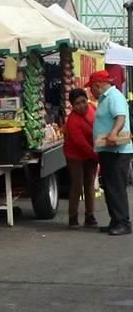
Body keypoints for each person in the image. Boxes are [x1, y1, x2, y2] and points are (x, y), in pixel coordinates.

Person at [88, 69, 133, 235]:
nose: (90, 91)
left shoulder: (114, 97)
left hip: (117, 151)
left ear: (98, 85)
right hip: (108, 150)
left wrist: (113, 133)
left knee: (116, 187)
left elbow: (120, 117)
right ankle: (115, 221)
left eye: (91, 87)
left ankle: (123, 223)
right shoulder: (105, 98)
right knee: (110, 187)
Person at [63, 88, 98, 229]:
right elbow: (81, 144)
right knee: (77, 185)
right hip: (75, 155)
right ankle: (73, 217)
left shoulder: (92, 108)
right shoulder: (72, 121)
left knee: (89, 185)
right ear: (72, 106)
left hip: (92, 151)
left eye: (84, 101)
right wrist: (97, 156)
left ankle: (90, 216)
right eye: (77, 103)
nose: (82, 105)